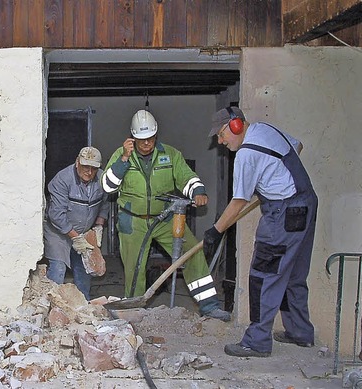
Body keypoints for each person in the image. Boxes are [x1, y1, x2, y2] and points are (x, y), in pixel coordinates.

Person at [205, 106, 318, 358]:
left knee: (262, 275)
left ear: (236, 126)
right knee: (293, 274)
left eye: (222, 134)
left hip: (283, 215)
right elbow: (296, 148)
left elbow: (238, 202)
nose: (221, 142)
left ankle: (256, 341)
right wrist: (270, 177)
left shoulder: (246, 154)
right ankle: (300, 332)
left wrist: (216, 231)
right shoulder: (265, 130)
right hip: (307, 203)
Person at [102, 109, 230, 321]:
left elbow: (185, 176)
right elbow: (108, 187)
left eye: (150, 139)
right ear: (132, 137)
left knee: (192, 252)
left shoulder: (169, 154)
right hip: (133, 220)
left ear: (156, 135)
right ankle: (134, 312)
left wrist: (197, 191)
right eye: (141, 140)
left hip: (166, 217)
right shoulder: (121, 155)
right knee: (135, 268)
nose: (146, 144)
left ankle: (209, 306)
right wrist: (124, 159)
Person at [43, 147, 108, 300]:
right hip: (58, 232)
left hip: (83, 231)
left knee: (84, 271)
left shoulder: (102, 179)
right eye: (86, 166)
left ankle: (82, 308)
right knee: (58, 269)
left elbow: (104, 204)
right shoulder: (62, 180)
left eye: (93, 168)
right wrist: (75, 237)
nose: (89, 172)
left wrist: (98, 226)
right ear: (77, 162)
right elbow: (56, 215)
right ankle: (52, 305)